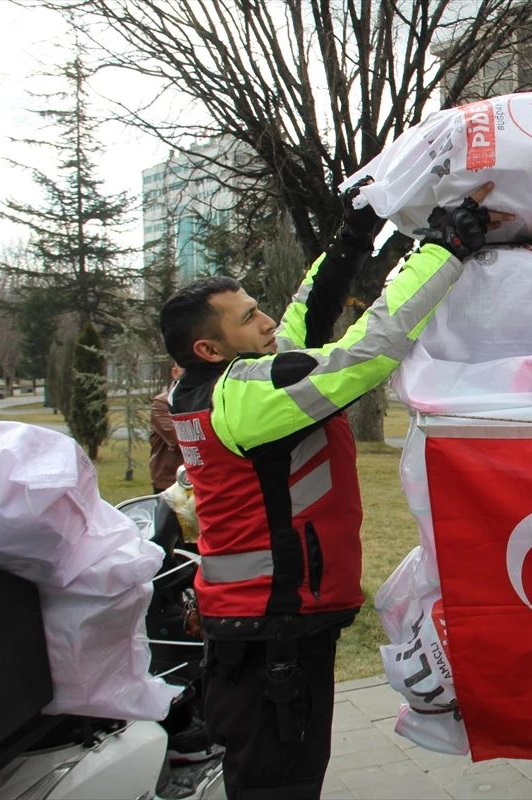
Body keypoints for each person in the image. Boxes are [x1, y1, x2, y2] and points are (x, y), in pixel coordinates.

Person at [158, 181, 510, 799]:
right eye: (248, 318)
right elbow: (367, 353)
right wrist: (445, 248)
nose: (265, 321)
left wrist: (353, 236)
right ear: (209, 348)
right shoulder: (246, 400)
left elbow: (304, 320)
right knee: (278, 787)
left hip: (262, 628)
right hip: (272, 635)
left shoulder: (221, 387)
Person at [150, 363, 185, 493]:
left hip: (205, 478)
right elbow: (178, 438)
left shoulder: (211, 398)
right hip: (170, 480)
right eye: (187, 370)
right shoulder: (162, 403)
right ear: (175, 373)